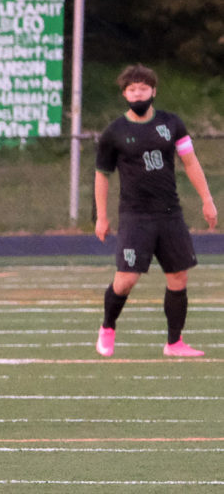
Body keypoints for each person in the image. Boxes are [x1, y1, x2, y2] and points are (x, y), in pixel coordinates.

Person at [94, 63, 217, 357]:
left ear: (154, 91)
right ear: (124, 94)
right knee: (127, 278)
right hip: (135, 216)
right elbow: (102, 175)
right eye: (132, 90)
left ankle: (174, 343)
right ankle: (108, 327)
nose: (138, 95)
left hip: (170, 213)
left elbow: (190, 162)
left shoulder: (171, 123)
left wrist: (207, 199)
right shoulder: (114, 132)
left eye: (143, 89)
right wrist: (101, 215)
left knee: (178, 277)